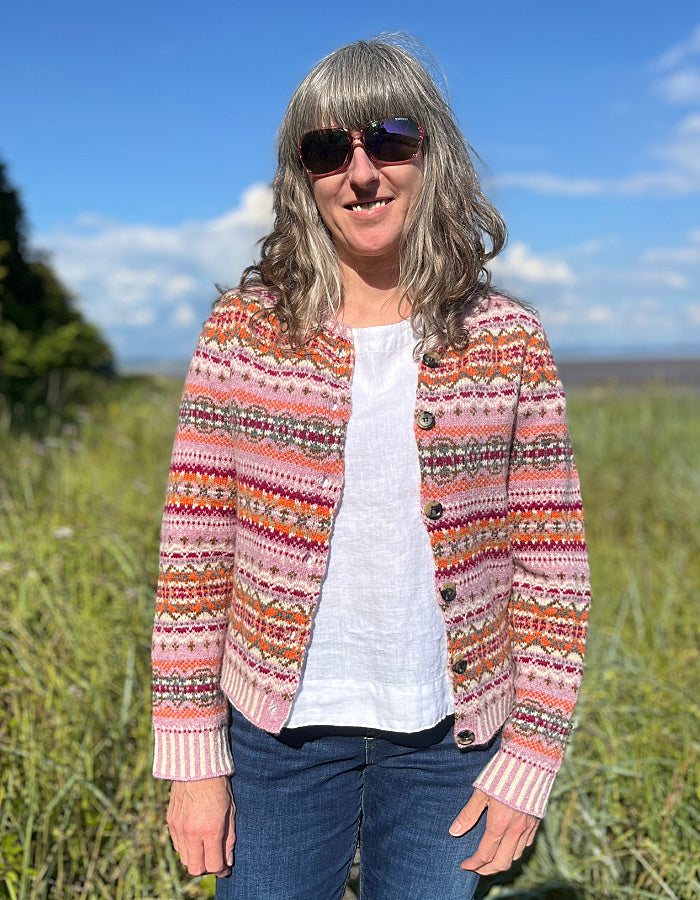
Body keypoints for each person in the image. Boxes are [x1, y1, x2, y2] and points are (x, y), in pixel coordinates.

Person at [152, 35, 590, 900]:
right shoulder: (244, 335)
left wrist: (533, 754)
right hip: (275, 742)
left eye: (389, 140)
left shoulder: (507, 341)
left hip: (452, 745)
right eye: (328, 149)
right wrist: (191, 757)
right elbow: (195, 551)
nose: (362, 172)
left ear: (433, 156)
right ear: (303, 177)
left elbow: (553, 566)